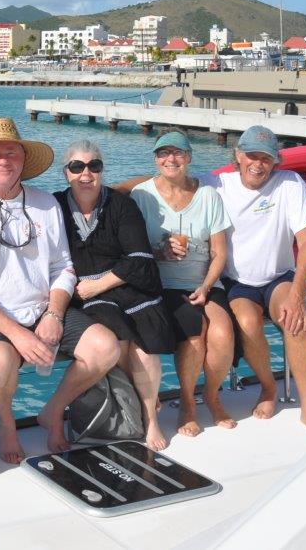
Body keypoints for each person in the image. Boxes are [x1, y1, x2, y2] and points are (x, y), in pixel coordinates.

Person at [0, 117, 120, 463]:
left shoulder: (45, 204)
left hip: (44, 309)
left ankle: (53, 410)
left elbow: (63, 267)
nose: (3, 160)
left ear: (24, 160)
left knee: (106, 347)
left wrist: (54, 314)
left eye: (11, 152)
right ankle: (6, 423)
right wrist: (18, 335)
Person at [202, 125, 306, 439]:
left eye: (266, 158)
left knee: (296, 321)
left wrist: (298, 295)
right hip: (236, 281)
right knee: (246, 322)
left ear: (276, 162)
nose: (257, 164)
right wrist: (118, 191)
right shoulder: (216, 184)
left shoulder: (289, 183)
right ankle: (269, 387)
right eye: (251, 155)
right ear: (238, 155)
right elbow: (170, 185)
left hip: (278, 277)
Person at [53, 138, 177, 451]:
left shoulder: (121, 205)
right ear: (66, 173)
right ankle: (130, 410)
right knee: (120, 339)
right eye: (77, 167)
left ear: (102, 171)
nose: (86, 173)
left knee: (145, 350)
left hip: (127, 286)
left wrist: (98, 284)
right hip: (88, 297)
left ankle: (149, 417)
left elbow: (137, 257)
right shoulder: (54, 207)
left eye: (94, 166)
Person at [128, 130, 235, 438]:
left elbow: (220, 252)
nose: (170, 159)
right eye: (163, 153)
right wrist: (159, 252)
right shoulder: (142, 195)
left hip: (204, 282)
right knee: (194, 337)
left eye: (177, 153)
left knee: (222, 333)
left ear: (189, 158)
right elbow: (133, 250)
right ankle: (188, 403)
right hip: (164, 285)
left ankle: (212, 396)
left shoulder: (208, 196)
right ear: (155, 159)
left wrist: (206, 285)